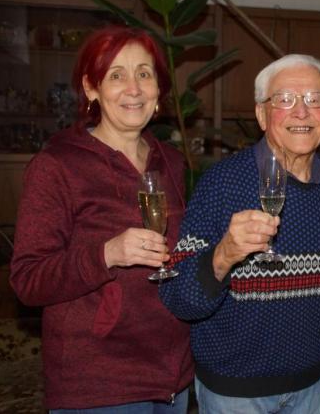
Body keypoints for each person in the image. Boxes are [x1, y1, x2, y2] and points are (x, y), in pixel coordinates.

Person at [159, 54, 320, 413]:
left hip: (310, 385)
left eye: (315, 100)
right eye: (285, 99)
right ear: (261, 114)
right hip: (235, 393)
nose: (302, 112)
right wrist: (223, 254)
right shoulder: (222, 184)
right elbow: (178, 297)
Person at [10, 26, 194, 412]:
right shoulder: (57, 165)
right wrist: (106, 254)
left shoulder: (171, 162)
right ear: (91, 89)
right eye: (116, 75)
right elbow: (28, 281)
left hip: (173, 376)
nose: (134, 88)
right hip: (100, 384)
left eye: (144, 73)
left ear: (158, 89)